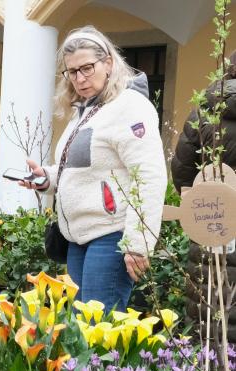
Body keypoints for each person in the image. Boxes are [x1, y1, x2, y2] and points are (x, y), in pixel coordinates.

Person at [20, 26, 167, 310]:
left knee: (99, 334)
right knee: (81, 332)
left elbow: (151, 176)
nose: (80, 78)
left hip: (111, 236)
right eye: (72, 72)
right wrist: (45, 178)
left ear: (109, 63)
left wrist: (139, 244)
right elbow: (80, 170)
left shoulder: (130, 106)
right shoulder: (88, 110)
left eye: (87, 68)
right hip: (78, 238)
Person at [172, 51, 236, 341]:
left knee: (211, 307)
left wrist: (206, 202)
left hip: (213, 220)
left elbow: (183, 173)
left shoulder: (206, 110)